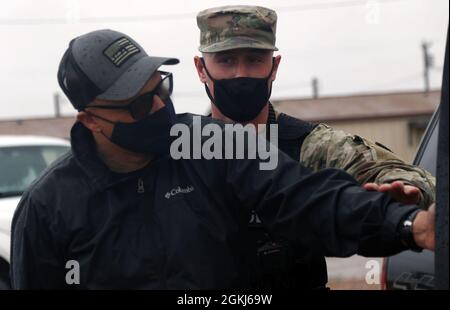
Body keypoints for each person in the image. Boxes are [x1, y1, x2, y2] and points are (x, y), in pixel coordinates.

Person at [11, 29, 435, 289]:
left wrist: (405, 224)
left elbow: (304, 197)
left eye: (161, 91)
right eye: (139, 107)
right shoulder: (48, 209)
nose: (160, 110)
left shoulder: (213, 145)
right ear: (92, 120)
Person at [193, 5, 436, 289]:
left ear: (274, 67)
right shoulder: (183, 152)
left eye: (254, 60)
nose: (241, 74)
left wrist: (405, 193)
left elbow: (397, 173)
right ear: (201, 69)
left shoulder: (310, 146)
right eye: (227, 61)